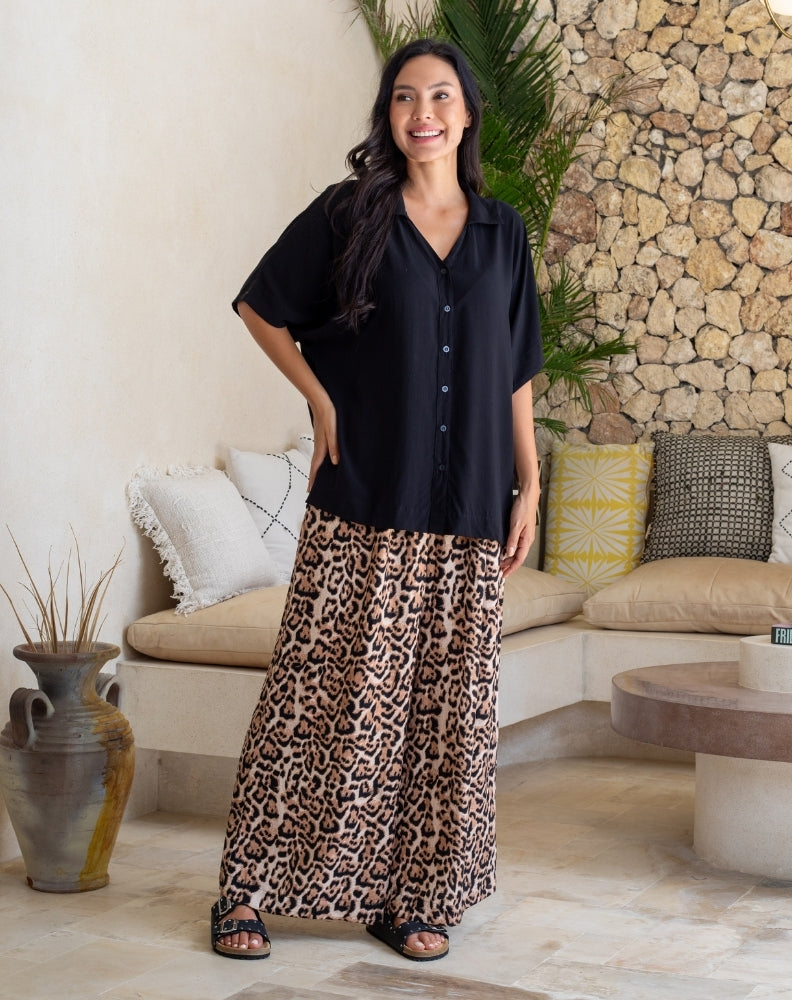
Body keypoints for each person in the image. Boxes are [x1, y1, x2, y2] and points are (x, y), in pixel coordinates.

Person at [211, 37, 543, 964]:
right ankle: (245, 891)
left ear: (468, 113)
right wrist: (317, 398)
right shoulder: (350, 213)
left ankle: (410, 896)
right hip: (364, 496)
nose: (422, 112)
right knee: (318, 698)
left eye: (440, 96)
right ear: (388, 117)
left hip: (471, 503)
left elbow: (516, 369)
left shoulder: (501, 232)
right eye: (404, 97)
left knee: (446, 713)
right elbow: (260, 306)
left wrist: (531, 480)